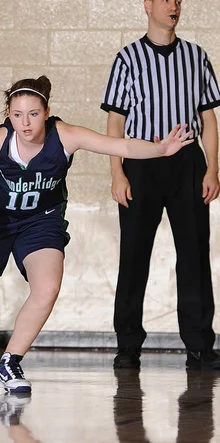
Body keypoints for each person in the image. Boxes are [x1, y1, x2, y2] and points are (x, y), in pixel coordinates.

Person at [0, 75, 193, 393]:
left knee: (48, 287)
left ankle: (9, 362)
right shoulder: (0, 142)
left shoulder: (65, 136)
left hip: (41, 221)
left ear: (47, 112)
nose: (25, 123)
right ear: (8, 115)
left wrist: (160, 149)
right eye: (17, 115)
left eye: (33, 114)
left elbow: (120, 144)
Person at [101, 0, 220, 370]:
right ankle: (128, 345)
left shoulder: (196, 56)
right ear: (148, 6)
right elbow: (115, 123)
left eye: (178, 1)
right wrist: (117, 172)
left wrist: (212, 168)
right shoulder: (128, 58)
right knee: (134, 256)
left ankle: (200, 345)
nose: (174, 6)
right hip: (141, 163)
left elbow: (209, 118)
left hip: (188, 164)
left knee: (195, 256)